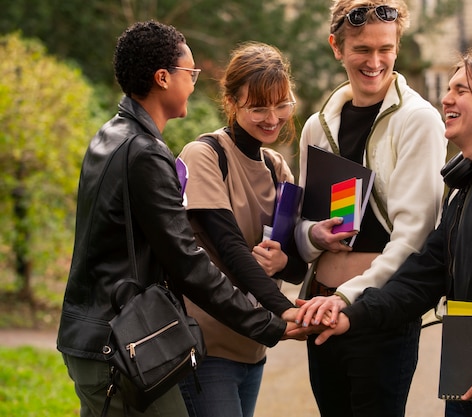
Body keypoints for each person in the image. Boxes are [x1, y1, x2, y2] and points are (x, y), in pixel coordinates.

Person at [56, 21, 303, 417]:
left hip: (95, 337)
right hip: (120, 345)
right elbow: (188, 262)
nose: (193, 83)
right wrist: (272, 323)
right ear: (163, 78)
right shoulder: (145, 152)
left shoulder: (110, 136)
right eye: (190, 74)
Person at [312, 49, 472, 417]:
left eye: (462, 91)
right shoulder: (469, 183)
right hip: (469, 377)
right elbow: (423, 277)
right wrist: (352, 313)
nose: (446, 98)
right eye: (448, 89)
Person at [293, 1, 448, 416]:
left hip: (378, 311)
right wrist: (311, 236)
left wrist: (347, 297)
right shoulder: (317, 124)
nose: (375, 61)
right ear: (336, 47)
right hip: (320, 305)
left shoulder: (420, 120)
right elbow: (304, 223)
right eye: (362, 48)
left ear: (398, 46)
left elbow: (415, 237)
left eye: (386, 48)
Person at [175, 41, 307, 417]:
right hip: (208, 347)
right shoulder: (205, 155)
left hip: (254, 347)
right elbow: (230, 248)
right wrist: (285, 312)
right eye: (258, 107)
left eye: (282, 104)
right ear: (232, 103)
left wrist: (283, 261)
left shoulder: (278, 167)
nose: (273, 118)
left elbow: (297, 266)